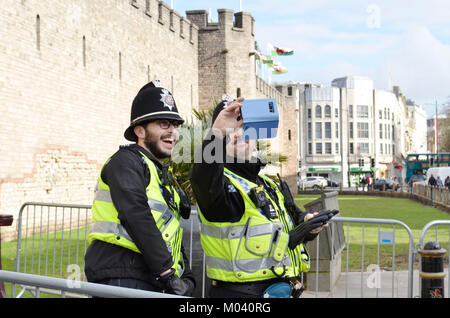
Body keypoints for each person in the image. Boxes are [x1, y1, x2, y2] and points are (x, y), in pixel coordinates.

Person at [190, 98, 329, 298]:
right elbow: (202, 178)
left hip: (281, 290)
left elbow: (290, 225)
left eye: (246, 127)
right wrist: (218, 133)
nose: (238, 134)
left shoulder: (270, 184)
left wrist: (308, 227)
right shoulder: (220, 184)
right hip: (238, 295)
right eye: (231, 130)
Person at [84, 81, 196, 296]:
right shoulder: (125, 161)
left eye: (175, 125)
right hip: (123, 274)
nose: (173, 131)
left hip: (149, 276)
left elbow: (169, 232)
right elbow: (136, 215)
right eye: (164, 123)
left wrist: (184, 273)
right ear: (140, 131)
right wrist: (167, 274)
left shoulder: (157, 171)